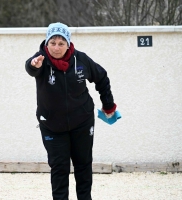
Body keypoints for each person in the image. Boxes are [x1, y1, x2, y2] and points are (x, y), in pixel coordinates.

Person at [25, 22, 117, 200]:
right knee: (59, 168)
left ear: (68, 43)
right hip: (51, 124)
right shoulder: (40, 59)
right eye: (52, 43)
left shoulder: (80, 60)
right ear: (46, 43)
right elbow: (31, 67)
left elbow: (102, 77)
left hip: (82, 121)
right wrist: (33, 64)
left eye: (61, 43)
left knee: (83, 166)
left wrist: (108, 105)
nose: (56, 47)